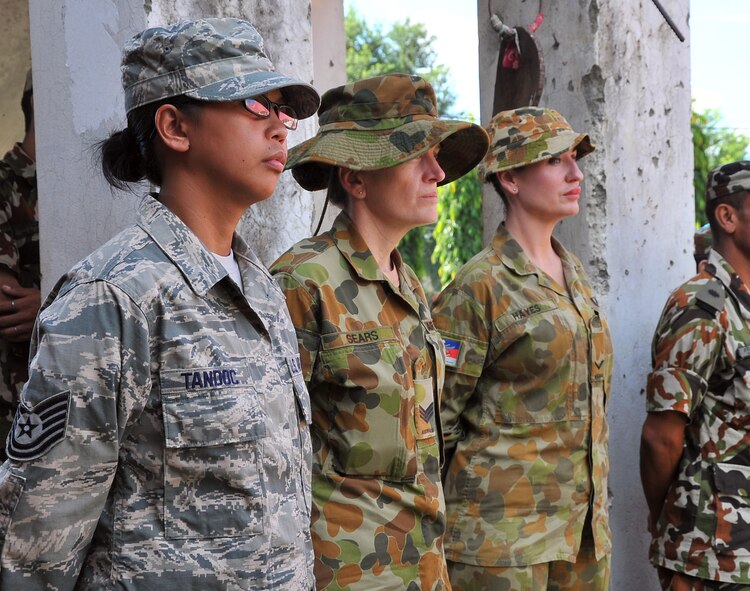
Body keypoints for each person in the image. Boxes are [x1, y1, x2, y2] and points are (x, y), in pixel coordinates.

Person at [0, 18, 320, 589]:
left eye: (283, 110)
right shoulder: (111, 300)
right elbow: (35, 551)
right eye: (255, 104)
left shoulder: (262, 292)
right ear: (174, 126)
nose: (282, 128)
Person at [270, 73, 488, 591]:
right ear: (356, 178)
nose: (437, 171)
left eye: (435, 154)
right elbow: (268, 459)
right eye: (416, 155)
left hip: (423, 568)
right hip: (347, 575)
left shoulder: (407, 282)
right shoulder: (304, 281)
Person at [431, 107, 613, 590]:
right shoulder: (480, 286)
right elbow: (434, 424)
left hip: (580, 538)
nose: (575, 173)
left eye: (575, 158)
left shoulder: (573, 275)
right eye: (556, 161)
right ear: (510, 177)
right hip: (500, 546)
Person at [640, 160, 750, 590]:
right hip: (711, 559)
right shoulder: (701, 306)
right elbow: (661, 436)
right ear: (728, 217)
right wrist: (671, 520)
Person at [0, 69, 41, 456]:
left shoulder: (67, 188)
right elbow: (9, 307)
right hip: (11, 402)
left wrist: (49, 307)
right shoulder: (5, 185)